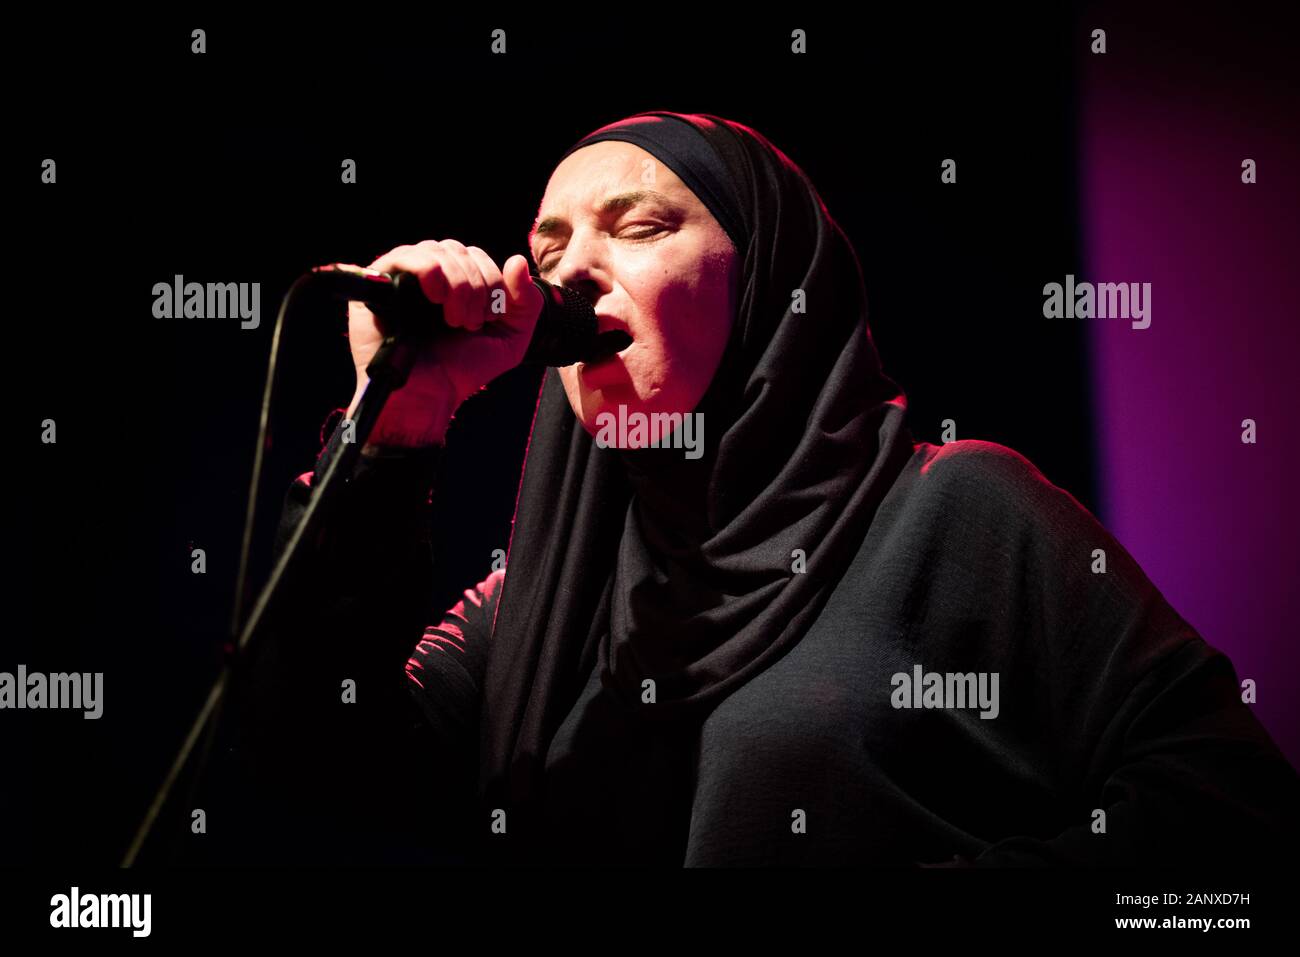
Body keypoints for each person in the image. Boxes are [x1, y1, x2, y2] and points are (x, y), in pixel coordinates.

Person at [261, 111, 1298, 867]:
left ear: (764, 283)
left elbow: (1234, 827)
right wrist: (395, 426)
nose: (571, 271)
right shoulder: (530, 608)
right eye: (548, 245)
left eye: (639, 227)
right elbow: (315, 774)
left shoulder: (952, 514)